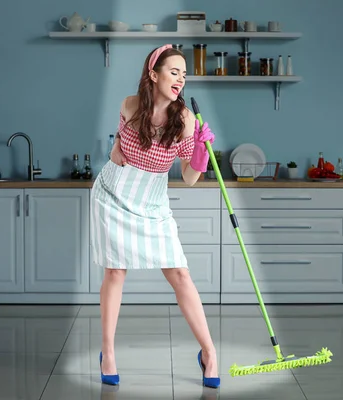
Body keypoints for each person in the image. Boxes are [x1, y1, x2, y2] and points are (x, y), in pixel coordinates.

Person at [90, 43, 220, 389]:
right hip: (113, 195)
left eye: (184, 74)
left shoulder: (186, 119)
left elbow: (190, 179)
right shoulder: (130, 106)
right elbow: (119, 152)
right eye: (174, 71)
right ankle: (107, 353)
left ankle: (209, 353)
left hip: (153, 201)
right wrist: (115, 149)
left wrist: (200, 150)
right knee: (115, 271)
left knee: (179, 272)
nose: (181, 79)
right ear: (153, 74)